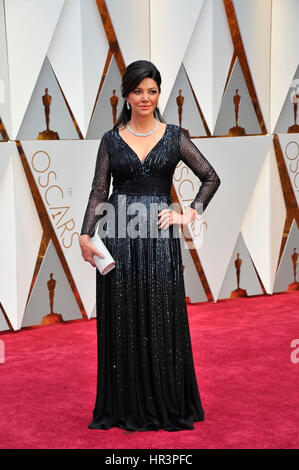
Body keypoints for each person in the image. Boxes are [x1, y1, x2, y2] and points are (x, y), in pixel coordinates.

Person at [79, 60, 221, 432]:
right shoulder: (111, 139)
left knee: (160, 315)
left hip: (159, 239)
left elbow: (210, 177)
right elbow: (99, 190)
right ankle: (125, 405)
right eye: (138, 91)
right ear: (126, 95)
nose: (145, 97)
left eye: (152, 91)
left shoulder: (174, 135)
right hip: (119, 238)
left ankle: (164, 401)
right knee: (122, 319)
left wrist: (189, 214)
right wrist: (84, 234)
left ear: (159, 95)